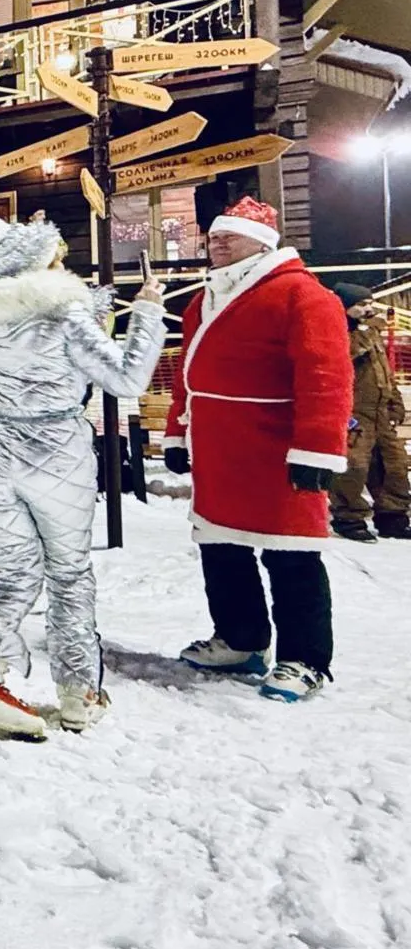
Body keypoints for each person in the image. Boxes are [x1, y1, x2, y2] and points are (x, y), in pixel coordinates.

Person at [0, 217, 167, 739]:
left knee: (16, 573)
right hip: (55, 451)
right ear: (43, 262)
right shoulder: (65, 310)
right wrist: (149, 309)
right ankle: (79, 693)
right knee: (68, 574)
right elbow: (127, 375)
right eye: (59, 257)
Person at [165, 197, 353, 703]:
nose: (217, 241)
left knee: (291, 556)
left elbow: (326, 378)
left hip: (276, 449)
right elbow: (188, 375)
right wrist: (176, 431)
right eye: (213, 236)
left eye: (230, 235)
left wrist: (317, 449)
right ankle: (241, 639)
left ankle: (305, 659)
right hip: (219, 448)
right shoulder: (204, 299)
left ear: (264, 243)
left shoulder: (304, 296)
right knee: (220, 548)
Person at [328, 283, 409, 542]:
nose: (368, 310)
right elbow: (344, 356)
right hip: (354, 412)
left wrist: (394, 399)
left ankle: (393, 516)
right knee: (353, 466)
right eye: (361, 305)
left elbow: (383, 370)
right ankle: (348, 518)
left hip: (380, 411)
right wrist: (366, 330)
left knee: (393, 464)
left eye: (370, 304)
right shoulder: (337, 331)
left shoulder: (370, 334)